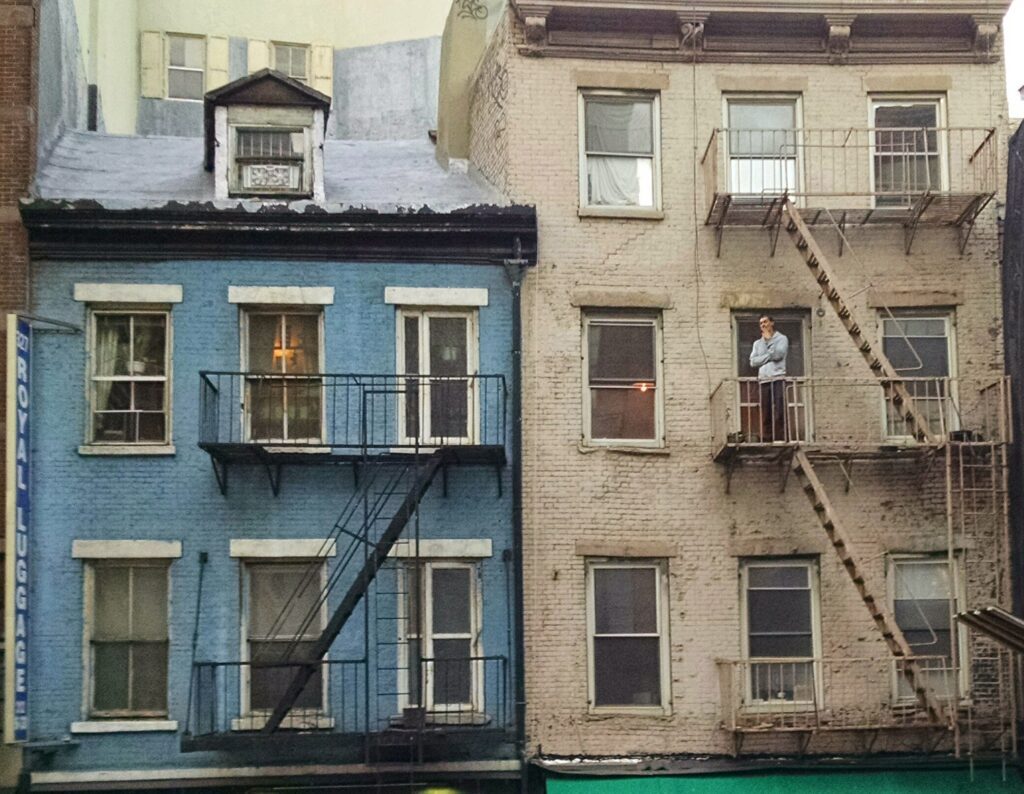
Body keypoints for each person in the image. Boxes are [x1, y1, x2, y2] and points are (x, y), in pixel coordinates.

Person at [749, 315, 789, 443]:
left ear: (772, 323)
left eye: (765, 322)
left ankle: (781, 437)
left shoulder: (782, 338)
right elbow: (753, 362)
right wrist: (769, 355)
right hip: (764, 379)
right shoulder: (757, 343)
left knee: (779, 410)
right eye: (761, 323)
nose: (763, 325)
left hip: (778, 378)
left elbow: (779, 354)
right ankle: (767, 437)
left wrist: (768, 343)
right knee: (766, 411)